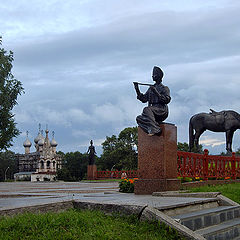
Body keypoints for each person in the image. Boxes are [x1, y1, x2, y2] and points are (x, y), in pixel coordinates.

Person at [134, 66, 171, 136]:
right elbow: (144, 99)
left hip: (161, 110)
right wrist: (137, 89)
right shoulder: (151, 88)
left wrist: (156, 92)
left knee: (146, 109)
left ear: (159, 76)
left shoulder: (164, 88)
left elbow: (167, 100)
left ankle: (155, 129)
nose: (152, 76)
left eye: (154, 75)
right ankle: (153, 127)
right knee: (139, 118)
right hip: (151, 111)